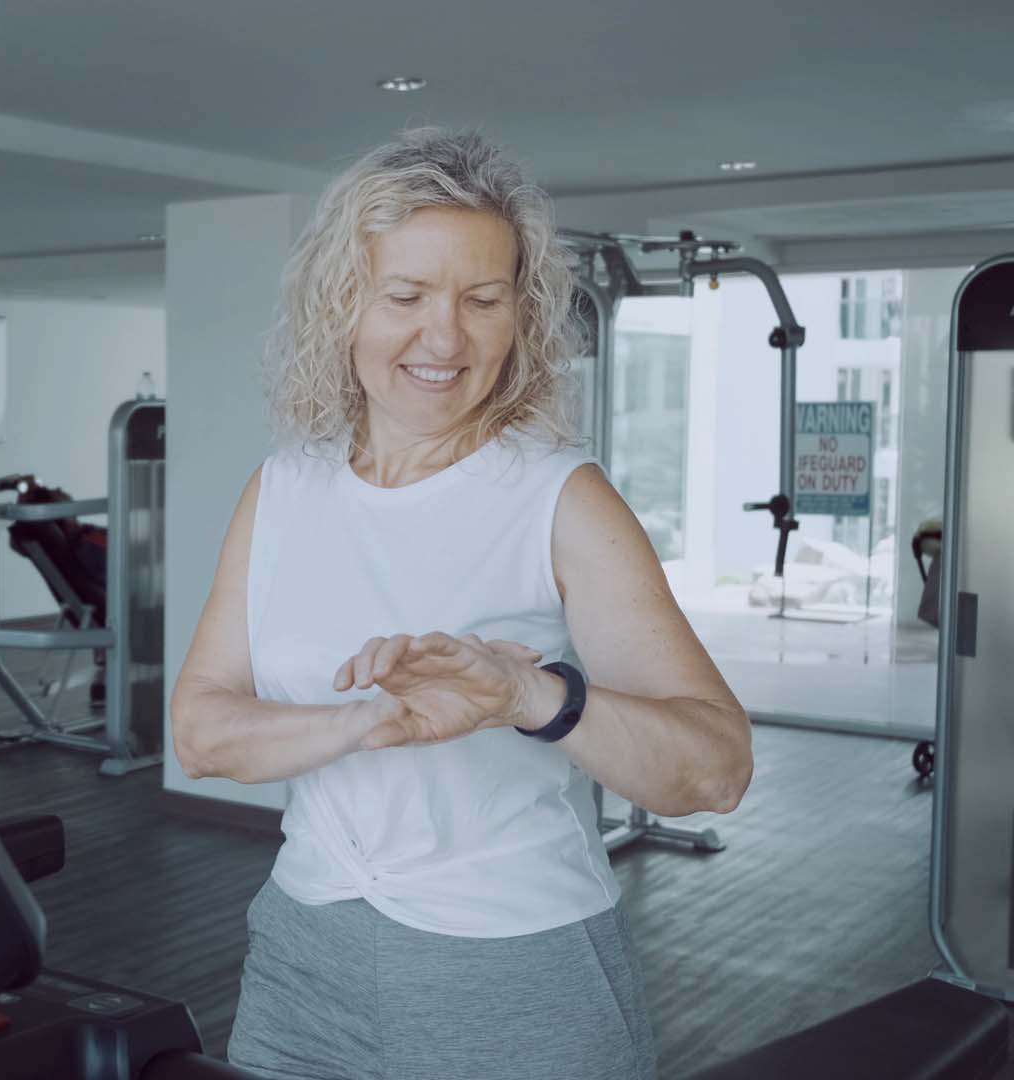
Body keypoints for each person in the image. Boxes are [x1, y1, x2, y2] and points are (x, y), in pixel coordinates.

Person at [171, 128, 752, 1080]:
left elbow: (714, 771)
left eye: (483, 300)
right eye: (406, 297)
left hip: (515, 964)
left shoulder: (560, 498)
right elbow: (202, 731)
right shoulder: (283, 488)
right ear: (341, 305)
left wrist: (528, 698)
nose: (445, 339)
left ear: (520, 316)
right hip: (300, 951)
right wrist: (369, 722)